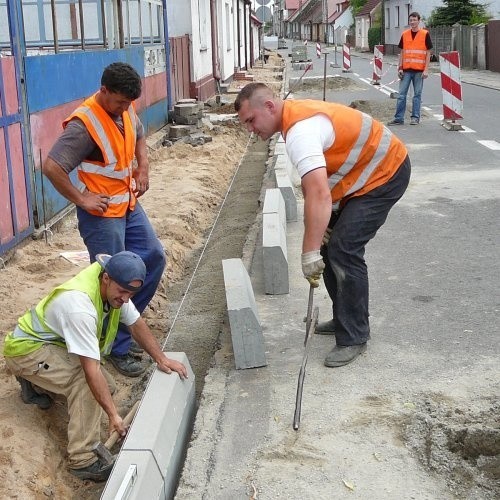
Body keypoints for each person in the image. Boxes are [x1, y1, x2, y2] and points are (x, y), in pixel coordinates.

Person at [235, 83, 411, 367]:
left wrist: (309, 253)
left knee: (343, 248)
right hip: (359, 177)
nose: (250, 130)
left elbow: (318, 193)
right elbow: (314, 187)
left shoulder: (300, 132)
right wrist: (321, 232)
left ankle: (354, 336)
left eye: (251, 121)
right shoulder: (293, 123)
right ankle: (344, 317)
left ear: (269, 106)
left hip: (385, 172)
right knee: (329, 244)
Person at [3, 251, 188, 482]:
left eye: (131, 294)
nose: (125, 299)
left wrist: (161, 358)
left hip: (52, 345)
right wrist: (113, 415)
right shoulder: (79, 307)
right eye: (122, 292)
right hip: (26, 350)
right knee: (85, 383)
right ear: (106, 278)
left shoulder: (118, 286)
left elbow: (136, 323)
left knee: (106, 387)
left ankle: (36, 385)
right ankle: (82, 460)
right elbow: (90, 373)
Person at [42, 62, 165, 377]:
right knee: (112, 283)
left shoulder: (123, 109)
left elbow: (137, 131)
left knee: (153, 256)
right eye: (121, 102)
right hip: (101, 216)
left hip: (128, 205)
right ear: (104, 90)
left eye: (129, 103)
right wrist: (82, 199)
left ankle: (122, 335)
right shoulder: (84, 126)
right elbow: (52, 166)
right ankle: (113, 348)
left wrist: (143, 166)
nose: (126, 107)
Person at [388, 12, 433, 126]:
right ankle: (399, 118)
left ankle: (415, 117)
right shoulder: (405, 34)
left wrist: (426, 69)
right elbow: (402, 52)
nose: (412, 22)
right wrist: (400, 68)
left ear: (419, 21)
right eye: (410, 20)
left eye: (414, 20)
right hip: (406, 70)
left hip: (419, 71)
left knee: (417, 95)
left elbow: (428, 53)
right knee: (401, 95)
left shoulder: (425, 34)